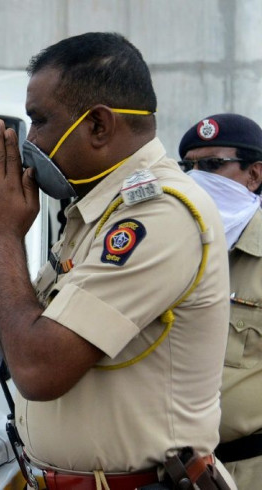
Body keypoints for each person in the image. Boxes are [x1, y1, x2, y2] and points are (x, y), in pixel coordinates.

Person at [0, 32, 236, 489]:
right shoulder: (97, 210)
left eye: (40, 120)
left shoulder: (159, 215)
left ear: (98, 126)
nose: (30, 141)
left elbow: (38, 368)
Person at [178, 113, 262, 489]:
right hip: (172, 471)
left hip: (249, 470)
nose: (197, 178)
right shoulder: (170, 249)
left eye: (213, 165)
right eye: (189, 166)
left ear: (254, 175)